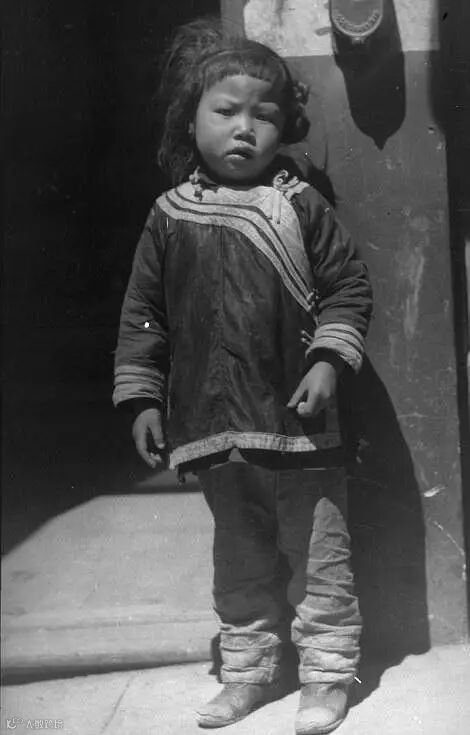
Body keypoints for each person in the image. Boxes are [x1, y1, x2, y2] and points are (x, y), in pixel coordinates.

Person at [113, 18, 372, 735]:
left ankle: (326, 676)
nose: (244, 129)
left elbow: (348, 288)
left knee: (319, 558)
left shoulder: (300, 204)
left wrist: (327, 360)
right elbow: (144, 315)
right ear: (190, 119)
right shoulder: (169, 217)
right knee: (240, 559)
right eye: (225, 111)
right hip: (212, 426)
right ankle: (248, 674)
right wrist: (142, 397)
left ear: (284, 126)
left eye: (264, 115)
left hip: (298, 427)